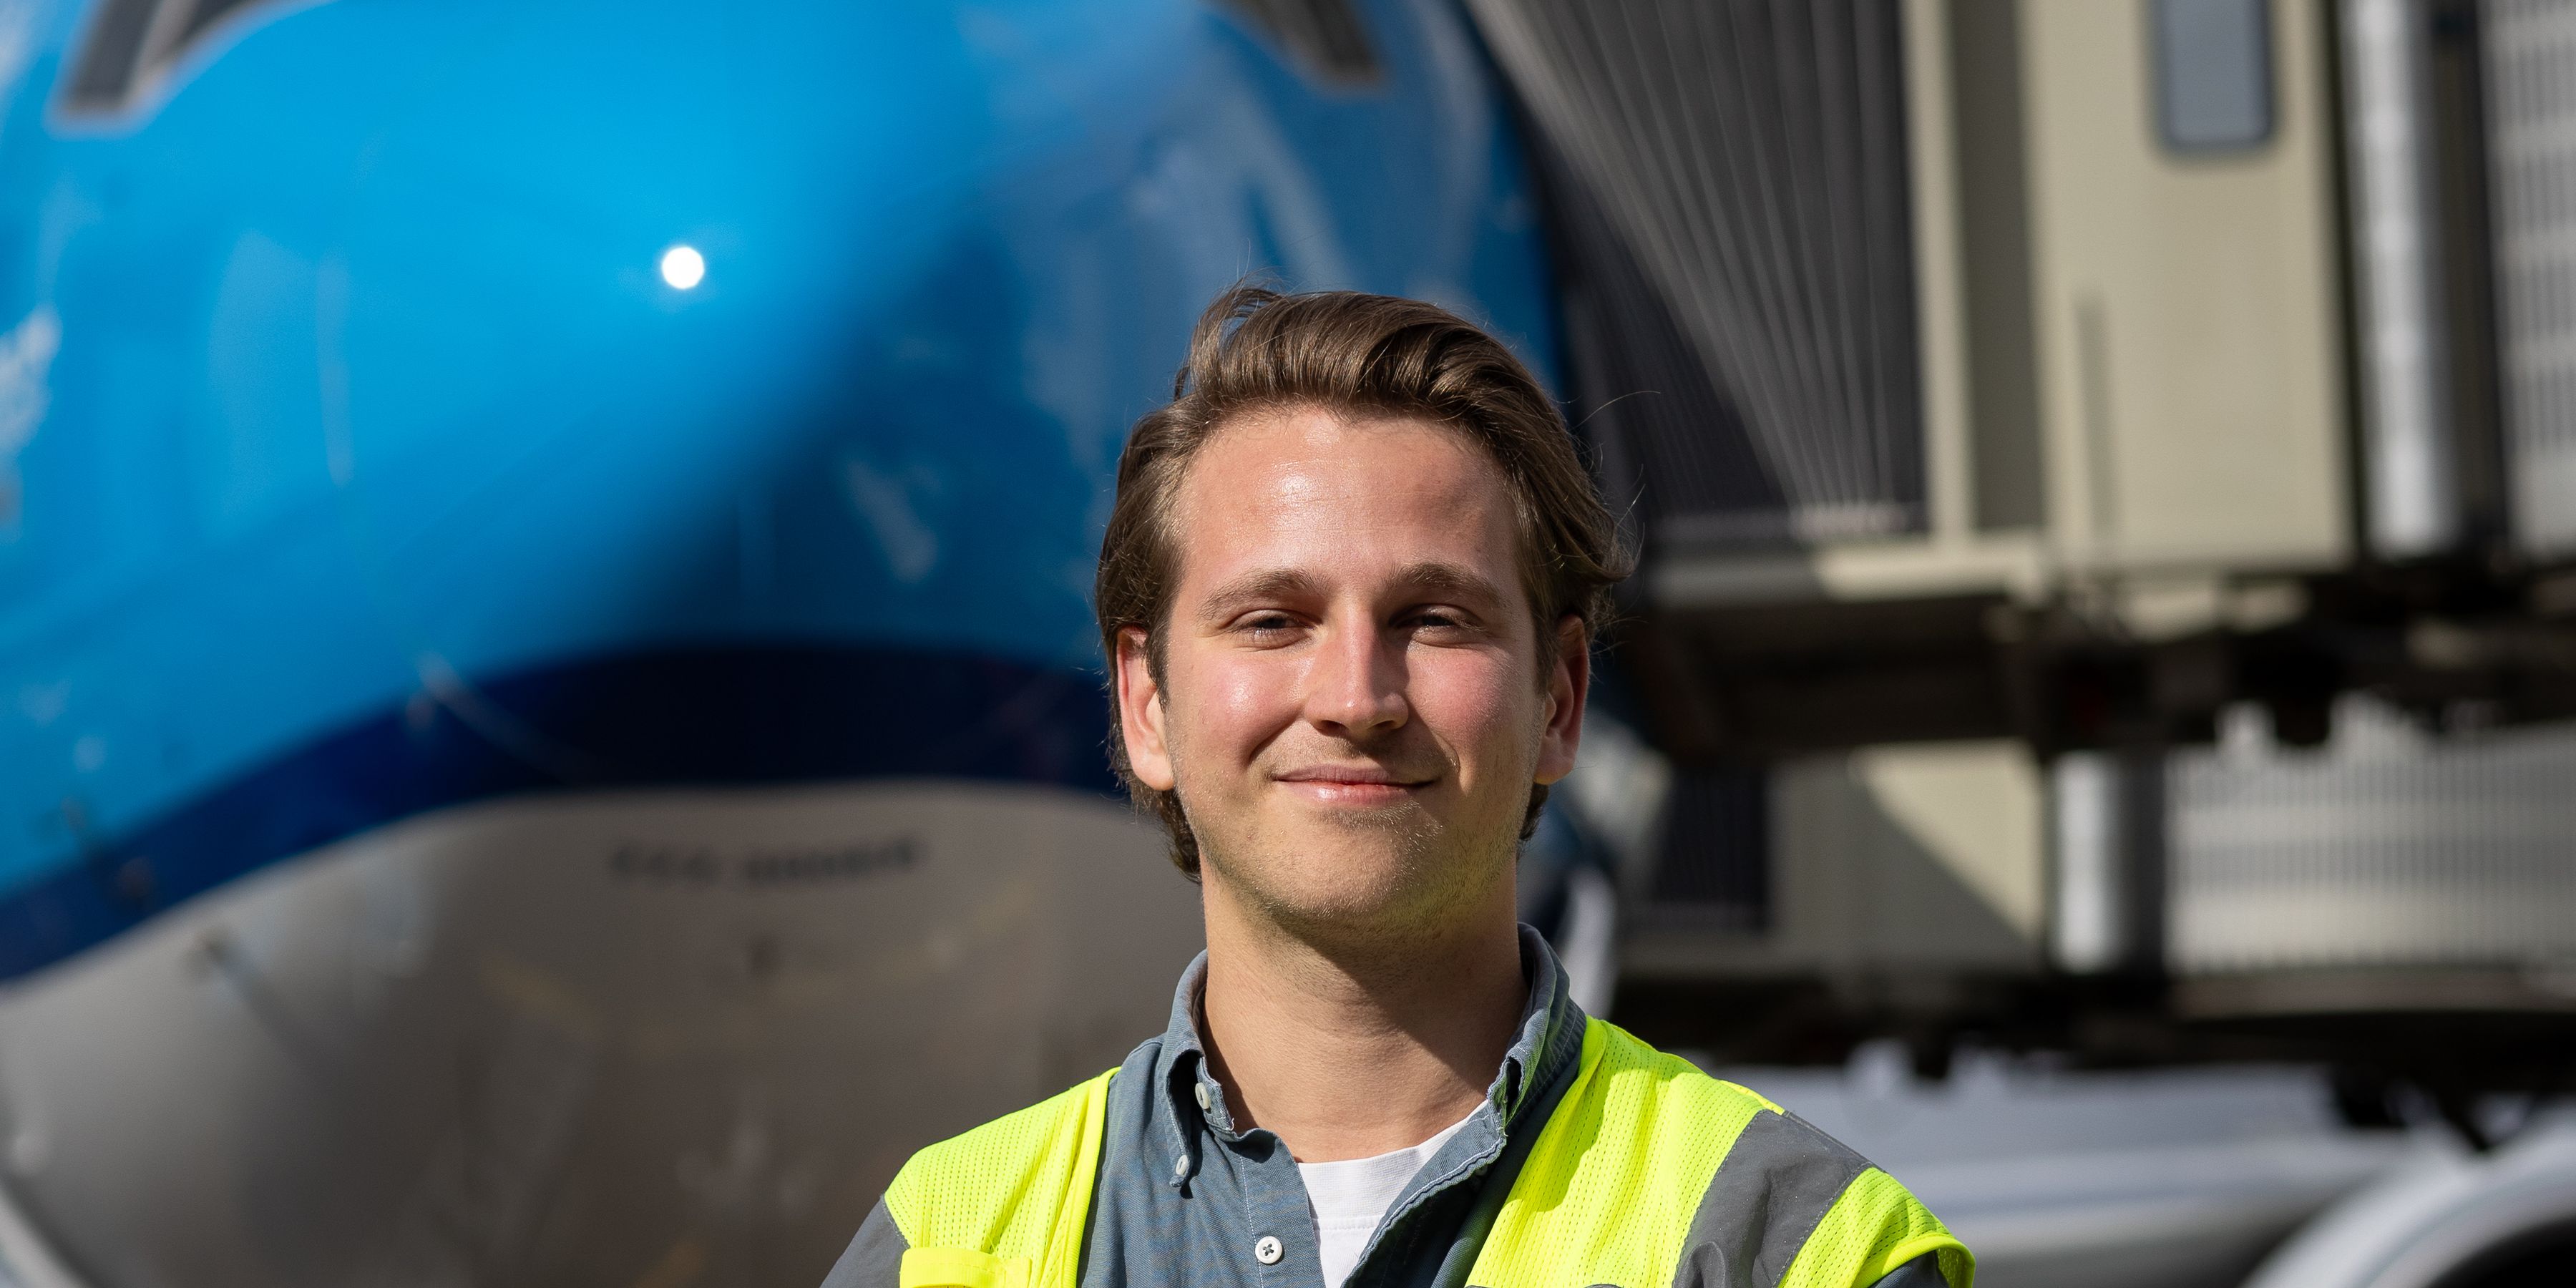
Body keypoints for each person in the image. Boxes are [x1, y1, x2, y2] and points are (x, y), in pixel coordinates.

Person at [821, 286, 1971, 1288]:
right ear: (1147, 704)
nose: (1356, 696)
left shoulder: (1800, 1251)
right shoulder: (947, 1247)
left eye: (1435, 620)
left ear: (1559, 701)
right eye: (1272, 620)